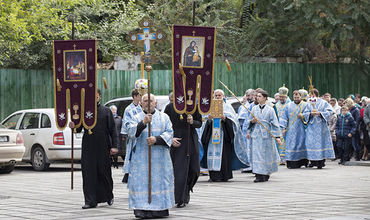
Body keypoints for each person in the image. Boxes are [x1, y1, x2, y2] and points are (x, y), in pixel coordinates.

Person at [126, 93, 174, 219]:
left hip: (160, 159)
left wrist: (157, 139)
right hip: (141, 158)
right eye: (145, 101)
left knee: (160, 182)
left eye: (151, 101)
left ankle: (160, 209)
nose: (148, 103)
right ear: (141, 103)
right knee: (141, 182)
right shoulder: (135, 117)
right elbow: (130, 133)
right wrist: (143, 123)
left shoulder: (164, 117)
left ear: (155, 103)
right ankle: (142, 209)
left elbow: (170, 133)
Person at [69, 89, 118, 209]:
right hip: (88, 146)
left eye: (95, 96)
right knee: (88, 173)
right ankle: (90, 200)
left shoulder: (106, 111)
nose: (93, 99)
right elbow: (78, 129)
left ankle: (108, 196)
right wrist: (73, 126)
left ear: (99, 97)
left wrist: (115, 146)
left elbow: (113, 130)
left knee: (104, 172)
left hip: (103, 145)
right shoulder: (83, 112)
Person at [201, 89, 249, 182]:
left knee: (223, 156)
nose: (218, 97)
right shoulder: (209, 107)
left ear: (223, 96)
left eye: (219, 95)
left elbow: (234, 121)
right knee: (211, 155)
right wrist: (209, 119)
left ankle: (223, 175)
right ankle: (213, 175)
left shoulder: (227, 106)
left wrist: (225, 119)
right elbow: (204, 121)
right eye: (216, 95)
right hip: (211, 136)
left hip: (223, 135)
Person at [164, 100, 201, 208]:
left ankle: (187, 189)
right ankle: (180, 198)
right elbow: (165, 125)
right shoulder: (170, 107)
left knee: (194, 169)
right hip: (177, 141)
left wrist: (192, 122)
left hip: (191, 139)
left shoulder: (193, 106)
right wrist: (170, 139)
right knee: (180, 171)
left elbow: (199, 123)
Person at [246, 90, 282, 182]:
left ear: (265, 98)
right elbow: (248, 121)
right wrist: (252, 123)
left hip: (266, 135)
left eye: (259, 96)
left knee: (266, 155)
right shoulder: (254, 109)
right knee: (257, 155)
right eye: (257, 96)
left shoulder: (270, 109)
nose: (257, 98)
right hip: (256, 135)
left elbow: (275, 123)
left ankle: (265, 173)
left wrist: (277, 137)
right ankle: (258, 175)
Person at [303, 88, 335, 169]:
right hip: (311, 127)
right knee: (311, 144)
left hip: (321, 127)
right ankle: (313, 161)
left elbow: (330, 111)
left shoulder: (324, 103)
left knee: (321, 144)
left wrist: (320, 113)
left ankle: (321, 162)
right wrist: (310, 114)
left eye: (310, 94)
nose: (309, 96)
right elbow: (305, 113)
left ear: (314, 95)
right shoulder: (308, 103)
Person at [280, 90, 310, 168]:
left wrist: (303, 115)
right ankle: (291, 163)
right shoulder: (288, 105)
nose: (296, 98)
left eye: (297, 97)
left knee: (301, 144)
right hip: (291, 129)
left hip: (302, 129)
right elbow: (284, 117)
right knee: (291, 145)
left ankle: (303, 162)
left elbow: (309, 114)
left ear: (301, 97)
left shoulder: (305, 105)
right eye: (294, 97)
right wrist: (283, 128)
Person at [121, 89, 143, 183]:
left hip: (142, 135)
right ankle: (128, 174)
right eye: (139, 95)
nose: (140, 97)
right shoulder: (128, 109)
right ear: (135, 96)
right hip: (133, 135)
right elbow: (126, 122)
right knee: (131, 155)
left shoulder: (141, 107)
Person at [274, 84, 291, 164]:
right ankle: (280, 158)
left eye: (282, 97)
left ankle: (287, 158)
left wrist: (286, 128)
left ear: (286, 97)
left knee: (286, 143)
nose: (281, 98)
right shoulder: (276, 105)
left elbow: (290, 118)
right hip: (278, 127)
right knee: (279, 143)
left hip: (287, 127)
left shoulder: (289, 105)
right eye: (280, 97)